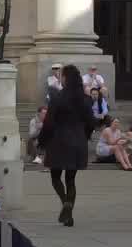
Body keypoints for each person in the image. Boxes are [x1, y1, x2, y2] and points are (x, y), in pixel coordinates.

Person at [39, 65, 98, 227]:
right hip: (77, 142)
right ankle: (69, 213)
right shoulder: (85, 99)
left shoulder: (57, 97)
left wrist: (42, 142)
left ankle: (65, 203)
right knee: (71, 180)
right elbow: (91, 122)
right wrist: (84, 136)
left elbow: (49, 123)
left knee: (55, 177)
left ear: (65, 78)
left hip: (58, 142)